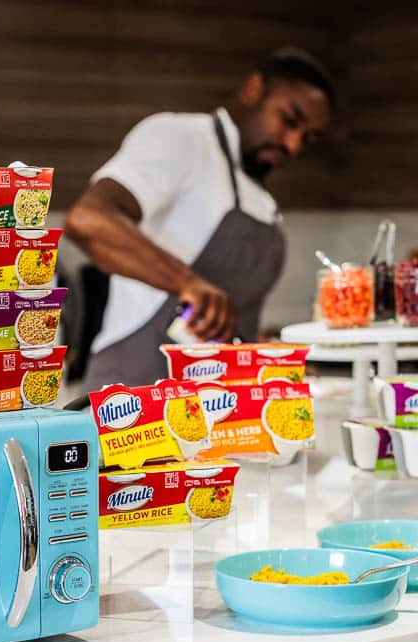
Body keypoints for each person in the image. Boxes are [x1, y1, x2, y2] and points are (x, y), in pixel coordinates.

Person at [66, 47, 334, 390]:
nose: (294, 144)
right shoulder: (183, 138)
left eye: (307, 138)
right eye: (289, 120)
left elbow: (229, 323)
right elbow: (89, 219)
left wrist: (264, 354)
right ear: (254, 89)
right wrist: (187, 283)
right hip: (136, 398)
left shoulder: (261, 199)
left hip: (217, 408)